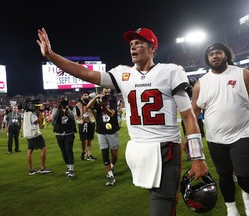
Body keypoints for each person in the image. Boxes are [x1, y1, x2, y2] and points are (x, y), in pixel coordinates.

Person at [37, 27, 208, 216]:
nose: (133, 47)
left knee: (163, 203)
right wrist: (51, 56)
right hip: (139, 150)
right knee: (163, 204)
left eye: (139, 44)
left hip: (165, 147)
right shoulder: (122, 74)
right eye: (131, 44)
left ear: (152, 49)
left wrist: (198, 157)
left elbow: (188, 116)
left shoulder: (170, 71)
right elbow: (84, 73)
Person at [191, 42, 249, 216]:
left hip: (241, 135)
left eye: (218, 52)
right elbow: (193, 113)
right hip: (215, 138)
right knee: (224, 175)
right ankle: (231, 207)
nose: (215, 56)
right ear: (207, 59)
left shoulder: (243, 74)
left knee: (245, 175)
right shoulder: (201, 83)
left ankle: (248, 196)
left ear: (226, 55)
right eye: (211, 54)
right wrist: (191, 138)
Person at [86, 88, 120, 186]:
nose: (107, 94)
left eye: (108, 92)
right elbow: (87, 107)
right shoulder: (97, 101)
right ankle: (110, 176)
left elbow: (111, 113)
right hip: (101, 131)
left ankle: (112, 166)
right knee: (104, 153)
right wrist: (96, 97)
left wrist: (103, 106)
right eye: (105, 93)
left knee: (114, 154)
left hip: (112, 131)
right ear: (101, 93)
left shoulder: (113, 100)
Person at [22, 98, 52, 175]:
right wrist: (41, 112)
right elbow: (38, 121)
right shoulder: (30, 113)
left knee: (30, 150)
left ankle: (31, 170)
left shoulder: (25, 112)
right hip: (34, 134)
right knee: (43, 148)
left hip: (28, 134)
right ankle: (42, 168)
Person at [51, 95, 77, 178]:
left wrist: (67, 109)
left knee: (69, 151)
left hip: (69, 133)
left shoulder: (72, 108)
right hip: (59, 133)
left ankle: (71, 170)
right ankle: (68, 167)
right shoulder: (56, 109)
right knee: (63, 151)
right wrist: (59, 109)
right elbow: (53, 118)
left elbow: (73, 118)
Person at [75, 91, 97, 161]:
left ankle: (89, 155)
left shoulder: (92, 103)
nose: (86, 96)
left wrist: (93, 109)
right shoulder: (78, 105)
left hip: (91, 122)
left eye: (87, 95)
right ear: (82, 96)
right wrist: (80, 120)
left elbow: (95, 113)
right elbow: (76, 115)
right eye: (84, 95)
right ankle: (83, 152)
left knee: (90, 139)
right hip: (82, 123)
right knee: (83, 140)